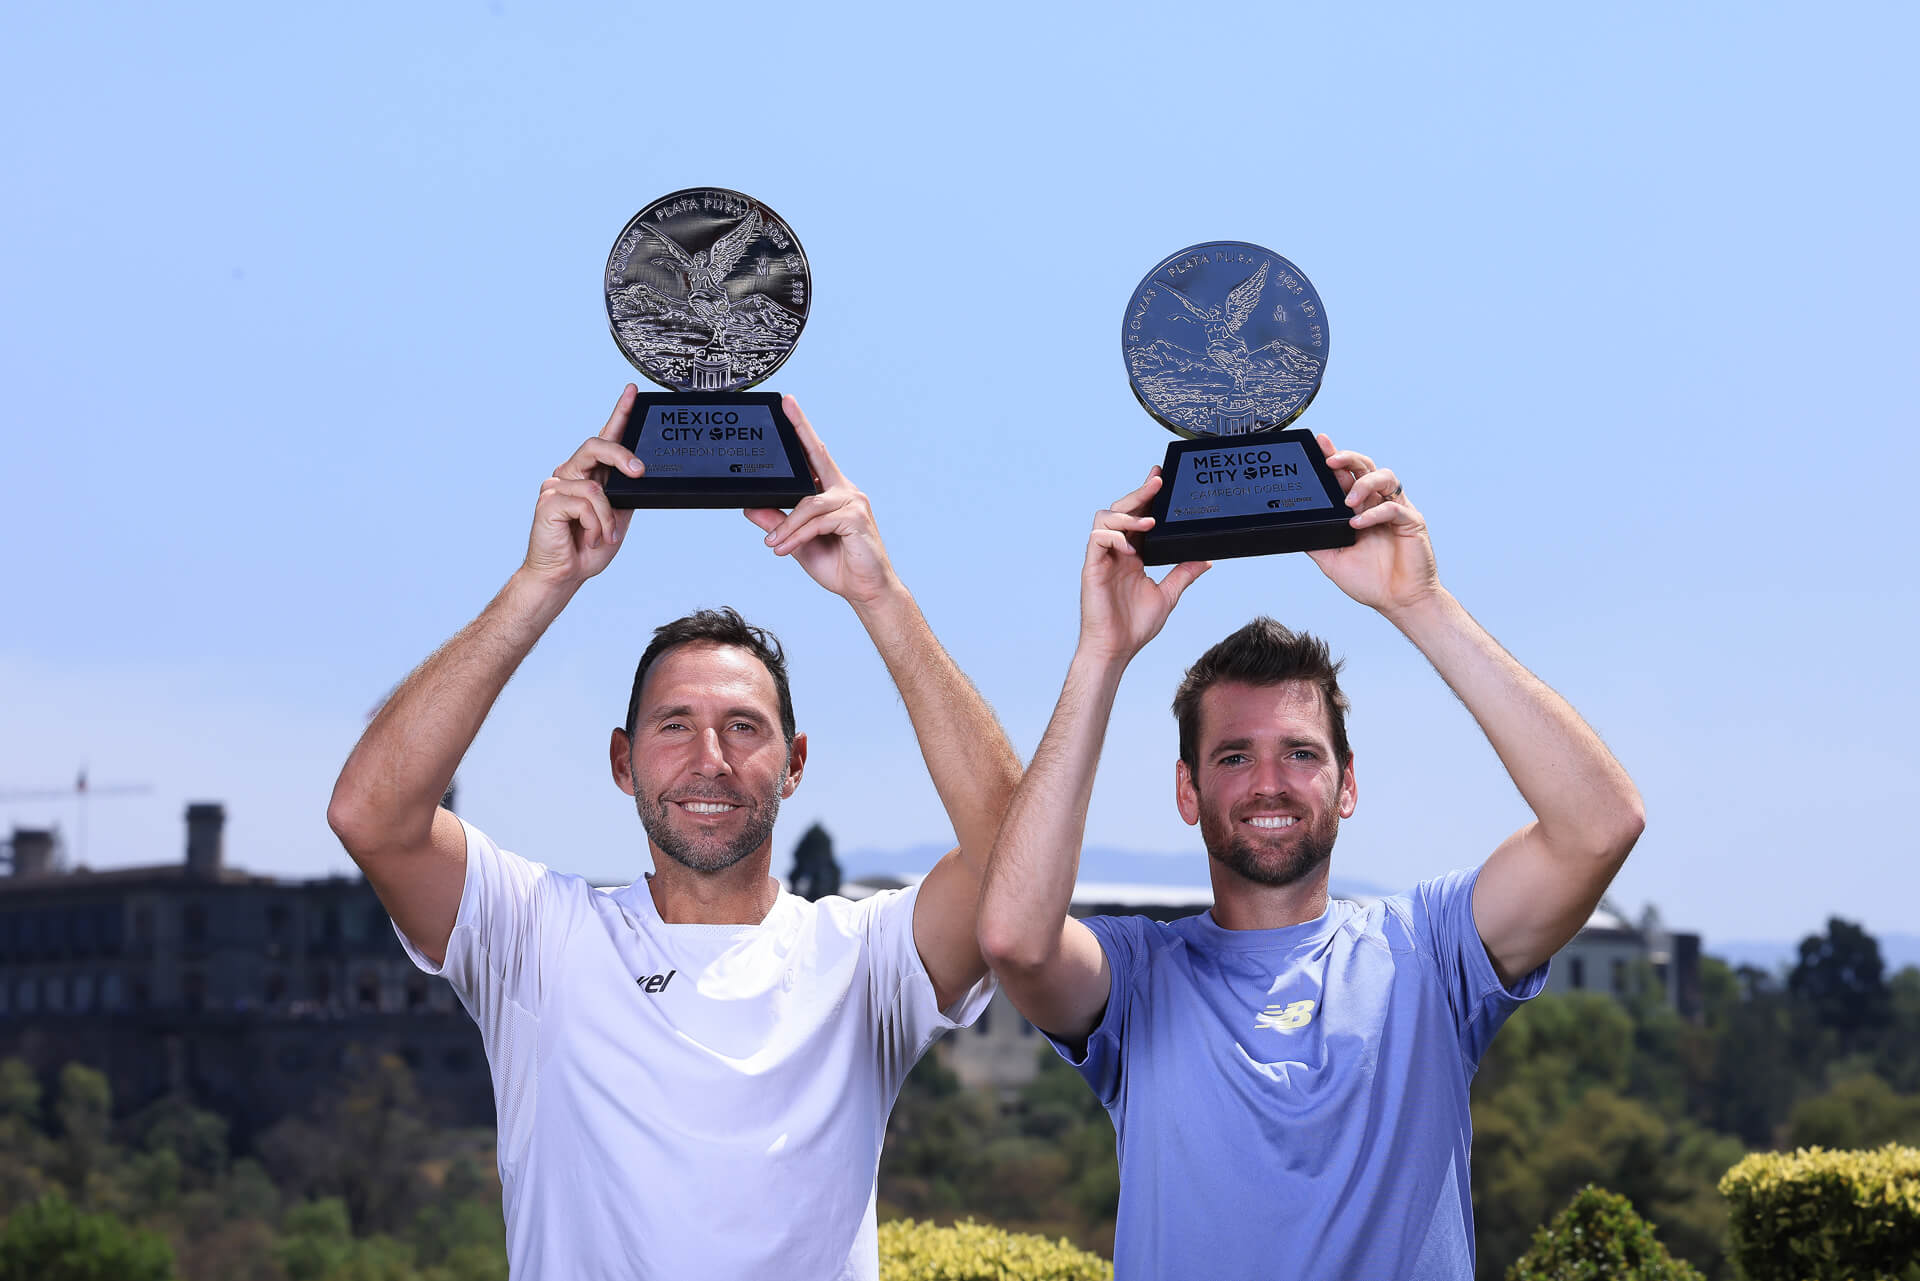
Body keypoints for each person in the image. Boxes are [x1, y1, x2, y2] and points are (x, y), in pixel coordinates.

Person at [328, 386, 1021, 1280]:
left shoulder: (862, 956)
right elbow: (369, 814)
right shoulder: (540, 938)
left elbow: (1016, 858)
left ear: (795, 761)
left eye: (744, 726)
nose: (709, 758)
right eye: (672, 726)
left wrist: (878, 595)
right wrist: (542, 583)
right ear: (623, 762)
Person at [976, 442, 1645, 1279]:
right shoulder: (1140, 980)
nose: (1268, 782)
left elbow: (1601, 824)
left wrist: (1420, 602)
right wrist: (1101, 653)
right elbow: (1014, 939)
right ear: (1186, 791)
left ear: (1347, 782)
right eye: (1232, 757)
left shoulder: (1430, 950)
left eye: (1300, 752)